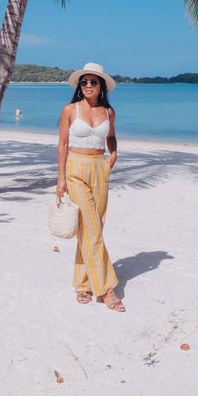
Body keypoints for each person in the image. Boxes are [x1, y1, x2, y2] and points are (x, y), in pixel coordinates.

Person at [56, 62, 124, 312]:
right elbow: (62, 144)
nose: (87, 86)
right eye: (84, 82)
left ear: (101, 86)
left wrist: (114, 154)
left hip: (99, 168)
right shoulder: (70, 110)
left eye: (93, 82)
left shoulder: (109, 112)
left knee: (93, 227)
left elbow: (111, 136)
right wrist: (61, 178)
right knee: (92, 230)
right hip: (76, 168)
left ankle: (82, 283)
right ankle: (106, 289)